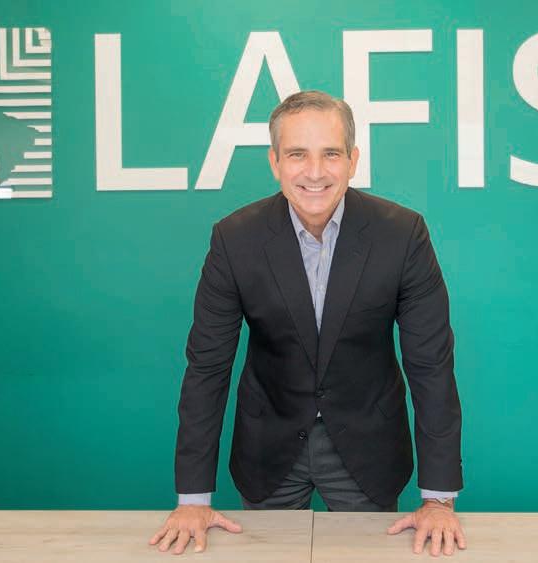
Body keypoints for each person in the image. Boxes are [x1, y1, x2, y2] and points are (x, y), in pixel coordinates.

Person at [148, 90, 466, 557]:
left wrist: (438, 499)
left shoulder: (403, 235)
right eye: (298, 154)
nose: (315, 172)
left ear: (353, 160)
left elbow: (431, 366)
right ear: (275, 162)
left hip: (368, 447)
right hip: (268, 446)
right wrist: (193, 500)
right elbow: (207, 370)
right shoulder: (234, 240)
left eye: (331, 154)